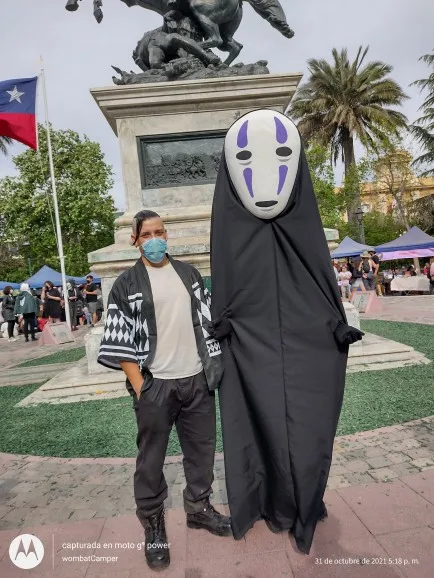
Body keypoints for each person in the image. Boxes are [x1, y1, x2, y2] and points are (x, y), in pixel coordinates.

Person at [210, 110, 363, 555]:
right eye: (245, 158)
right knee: (257, 425)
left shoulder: (303, 229)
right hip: (250, 347)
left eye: (280, 154)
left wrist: (334, 325)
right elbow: (230, 284)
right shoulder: (233, 234)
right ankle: (268, 499)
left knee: (307, 428)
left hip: (303, 345)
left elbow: (317, 276)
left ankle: (305, 498)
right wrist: (226, 326)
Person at [97, 210, 231, 571]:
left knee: (201, 451)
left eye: (159, 232)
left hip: (196, 379)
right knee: (151, 460)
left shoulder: (188, 274)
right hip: (156, 384)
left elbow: (208, 319)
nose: (154, 239)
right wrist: (142, 388)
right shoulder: (126, 284)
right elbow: (120, 339)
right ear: (135, 240)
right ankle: (153, 524)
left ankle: (199, 508)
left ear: (166, 234)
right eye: (147, 234)